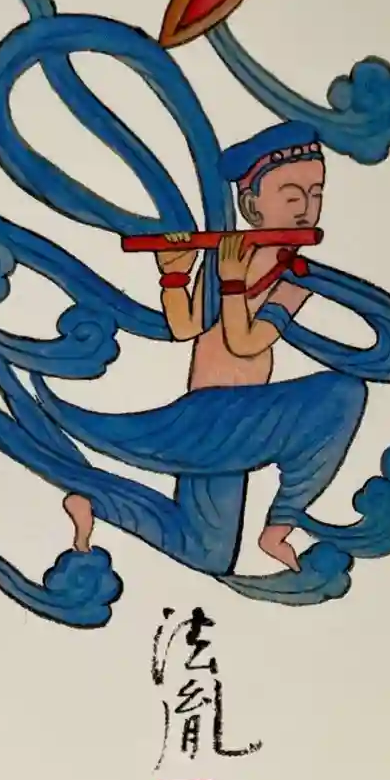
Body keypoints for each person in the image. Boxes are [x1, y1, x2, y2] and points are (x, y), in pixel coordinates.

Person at [63, 119, 335, 572]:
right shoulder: (227, 258)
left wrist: (231, 282)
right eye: (292, 197)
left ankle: (96, 501)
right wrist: (174, 274)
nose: (307, 209)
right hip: (214, 412)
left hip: (242, 420)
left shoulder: (294, 277)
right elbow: (186, 327)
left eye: (316, 194)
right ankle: (282, 522)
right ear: (252, 205)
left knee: (208, 551)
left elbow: (247, 341)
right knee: (342, 395)